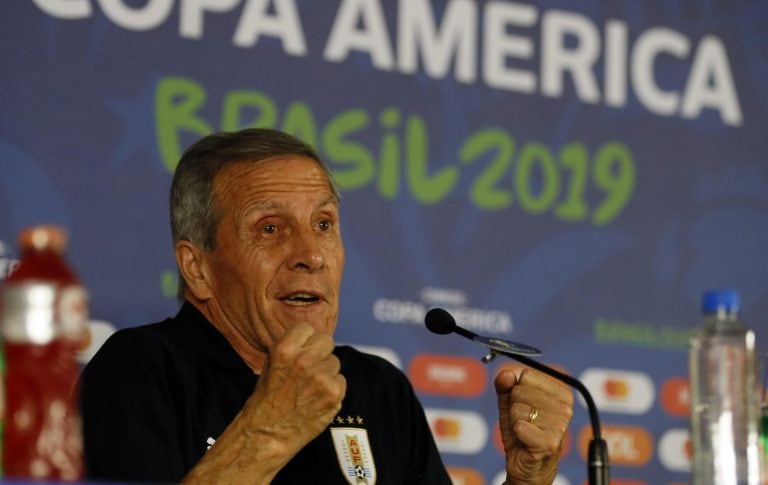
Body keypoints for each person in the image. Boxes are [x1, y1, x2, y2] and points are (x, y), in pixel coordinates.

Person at [79, 128, 574, 484]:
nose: (310, 255)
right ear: (197, 268)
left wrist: (528, 481)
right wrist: (266, 433)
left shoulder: (376, 388)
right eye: (270, 229)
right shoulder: (138, 370)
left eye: (323, 225)